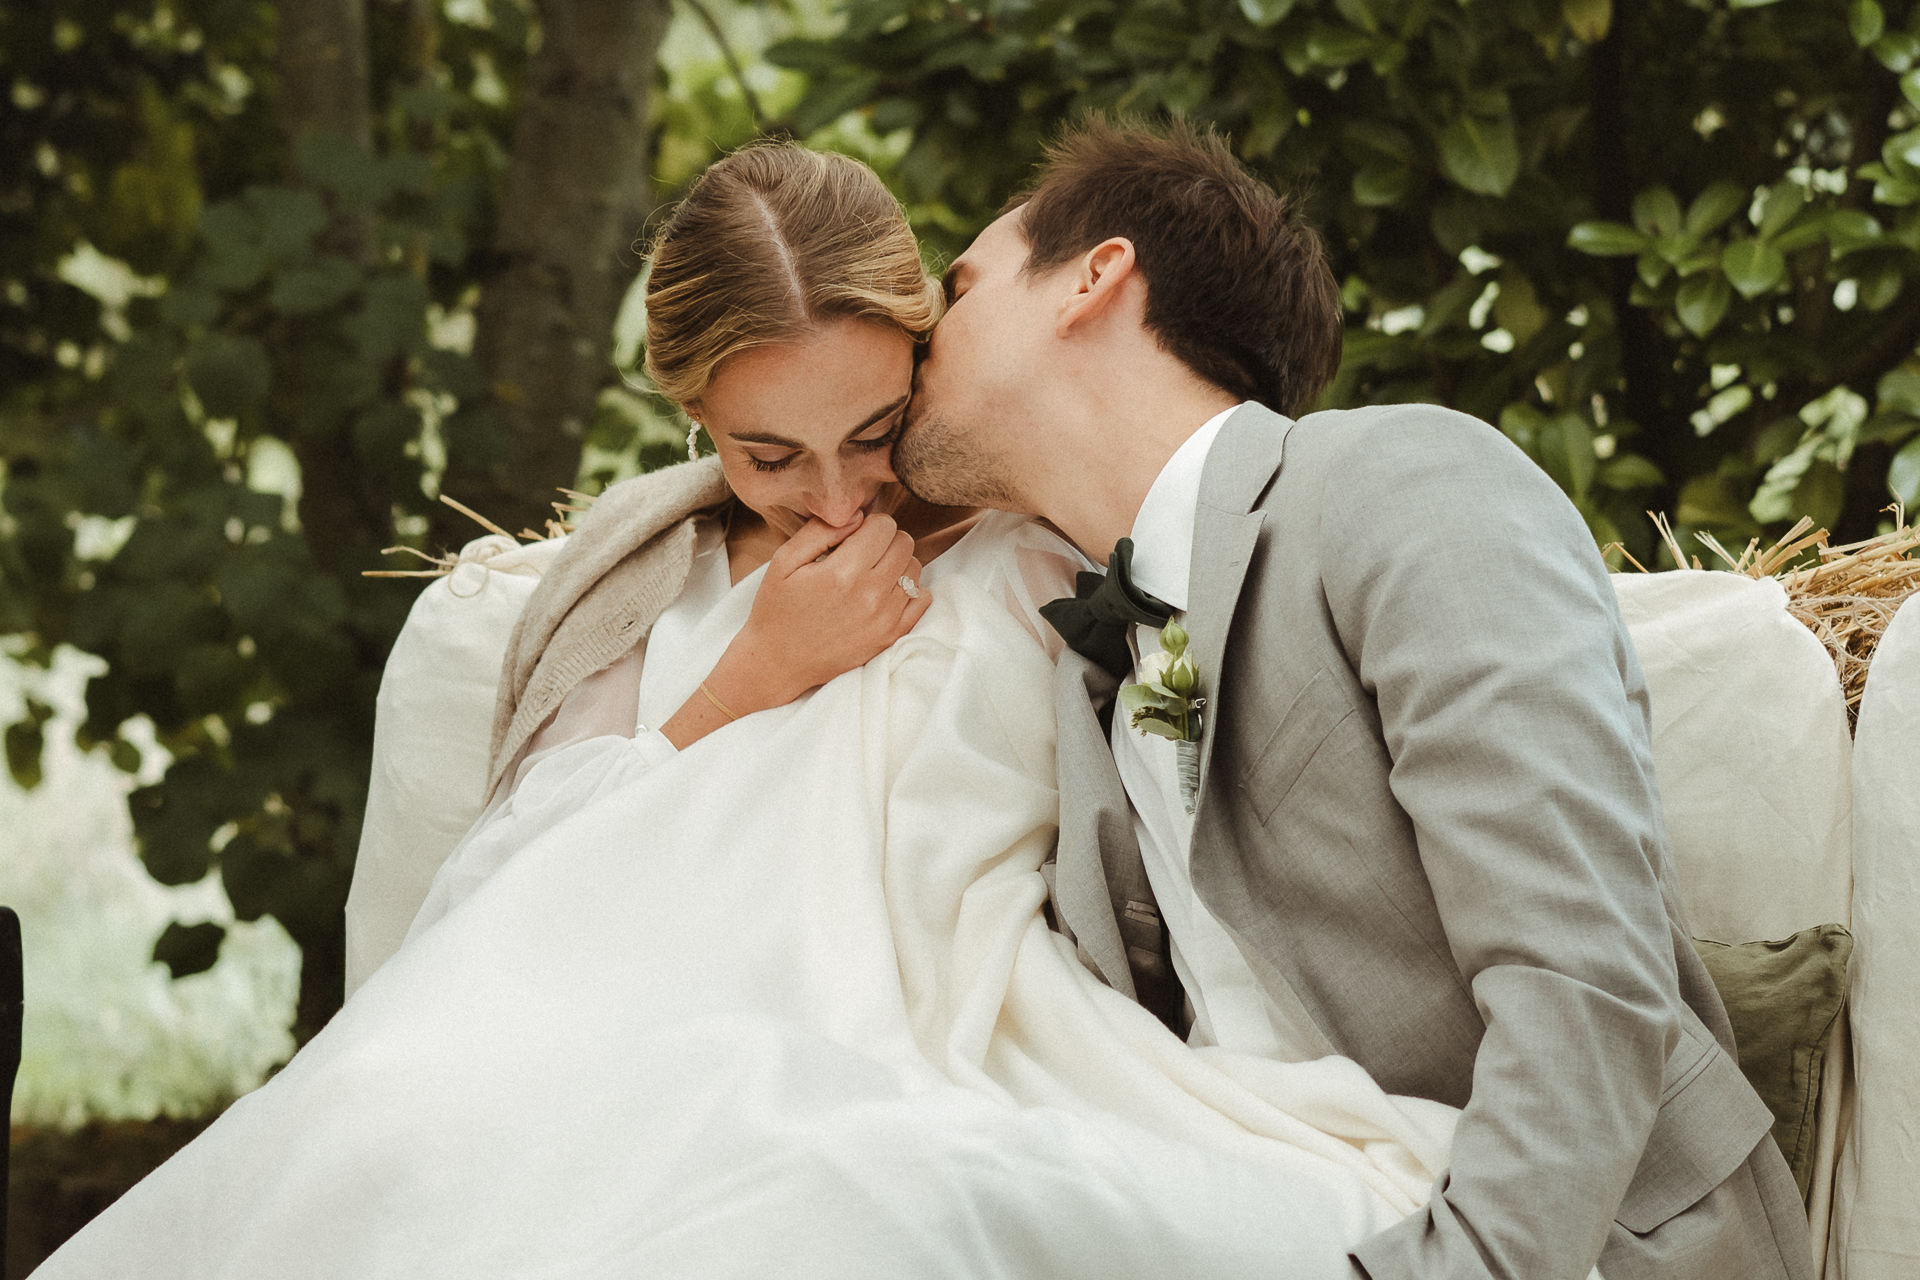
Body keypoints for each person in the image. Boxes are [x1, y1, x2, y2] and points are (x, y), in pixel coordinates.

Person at [37, 141, 1467, 1280]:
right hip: (606, 992)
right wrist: (749, 678)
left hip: (912, 1014)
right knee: (385, 1134)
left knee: (780, 1180)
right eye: (769, 453)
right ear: (692, 415)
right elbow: (498, 881)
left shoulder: (1046, 540)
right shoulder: (647, 582)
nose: (838, 499)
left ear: (925, 358)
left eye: (870, 432)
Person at [893, 116, 1814, 1280]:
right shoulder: (1085, 653)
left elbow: (1580, 977)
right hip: (1238, 1195)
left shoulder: (1405, 480)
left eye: (959, 287)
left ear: (1094, 277)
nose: (923, 326)